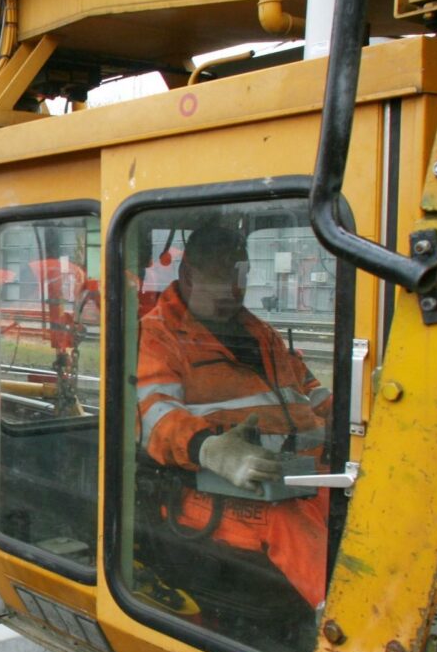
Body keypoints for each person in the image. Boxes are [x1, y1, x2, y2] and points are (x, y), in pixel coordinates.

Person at [136, 224, 330, 609]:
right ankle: (349, 635)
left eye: (239, 279)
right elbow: (156, 418)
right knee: (293, 526)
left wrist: (355, 423)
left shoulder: (259, 333)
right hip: (205, 486)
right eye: (220, 282)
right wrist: (212, 451)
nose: (234, 293)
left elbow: (311, 390)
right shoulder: (157, 336)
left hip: (291, 473)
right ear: (188, 275)